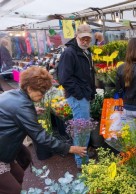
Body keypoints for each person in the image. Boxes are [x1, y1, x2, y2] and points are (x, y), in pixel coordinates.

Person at [0, 66, 87, 194]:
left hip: (5, 144)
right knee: (13, 189)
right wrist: (70, 149)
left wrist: (33, 111)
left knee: (23, 161)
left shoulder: (14, 94)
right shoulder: (23, 106)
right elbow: (41, 137)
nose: (42, 96)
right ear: (29, 88)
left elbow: (12, 111)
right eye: (41, 93)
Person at [58, 24, 96, 168]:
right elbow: (64, 78)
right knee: (82, 129)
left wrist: (90, 93)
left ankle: (83, 155)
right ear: (76, 37)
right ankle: (81, 162)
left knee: (83, 128)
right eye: (83, 38)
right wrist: (80, 95)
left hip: (83, 94)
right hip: (78, 96)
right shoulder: (69, 53)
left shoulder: (85, 51)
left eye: (88, 38)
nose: (85, 41)